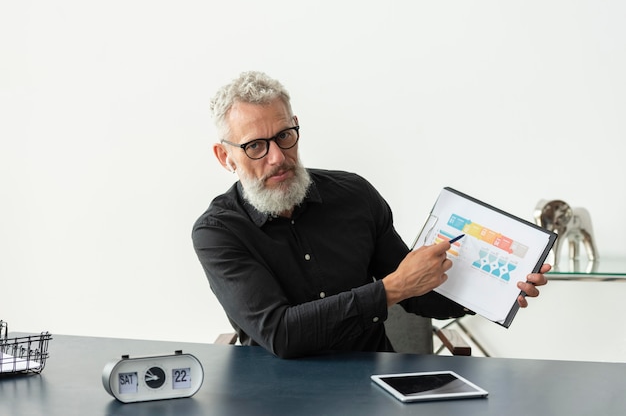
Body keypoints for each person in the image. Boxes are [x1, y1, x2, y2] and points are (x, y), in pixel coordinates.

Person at [192, 71, 550, 359]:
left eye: (285, 135)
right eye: (255, 146)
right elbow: (281, 333)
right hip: (277, 396)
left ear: (296, 126)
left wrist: (494, 290)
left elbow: (417, 293)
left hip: (373, 385)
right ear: (225, 157)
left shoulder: (354, 195)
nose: (277, 157)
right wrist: (390, 289)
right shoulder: (218, 232)